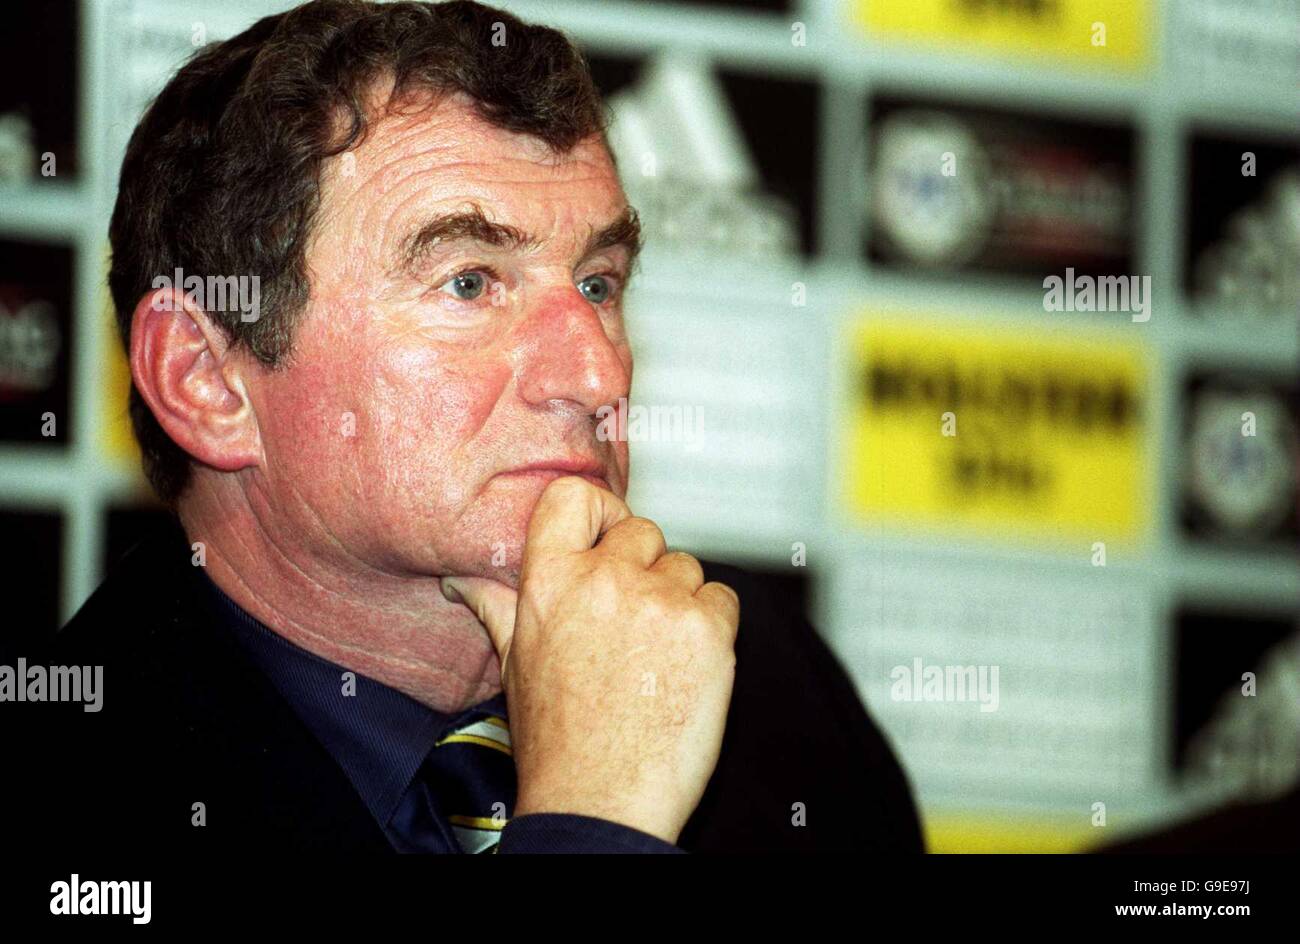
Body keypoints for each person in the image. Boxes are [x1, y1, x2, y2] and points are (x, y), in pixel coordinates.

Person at [13, 0, 923, 853]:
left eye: (599, 284)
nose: (597, 374)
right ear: (206, 380)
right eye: (470, 283)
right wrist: (596, 819)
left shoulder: (756, 677)